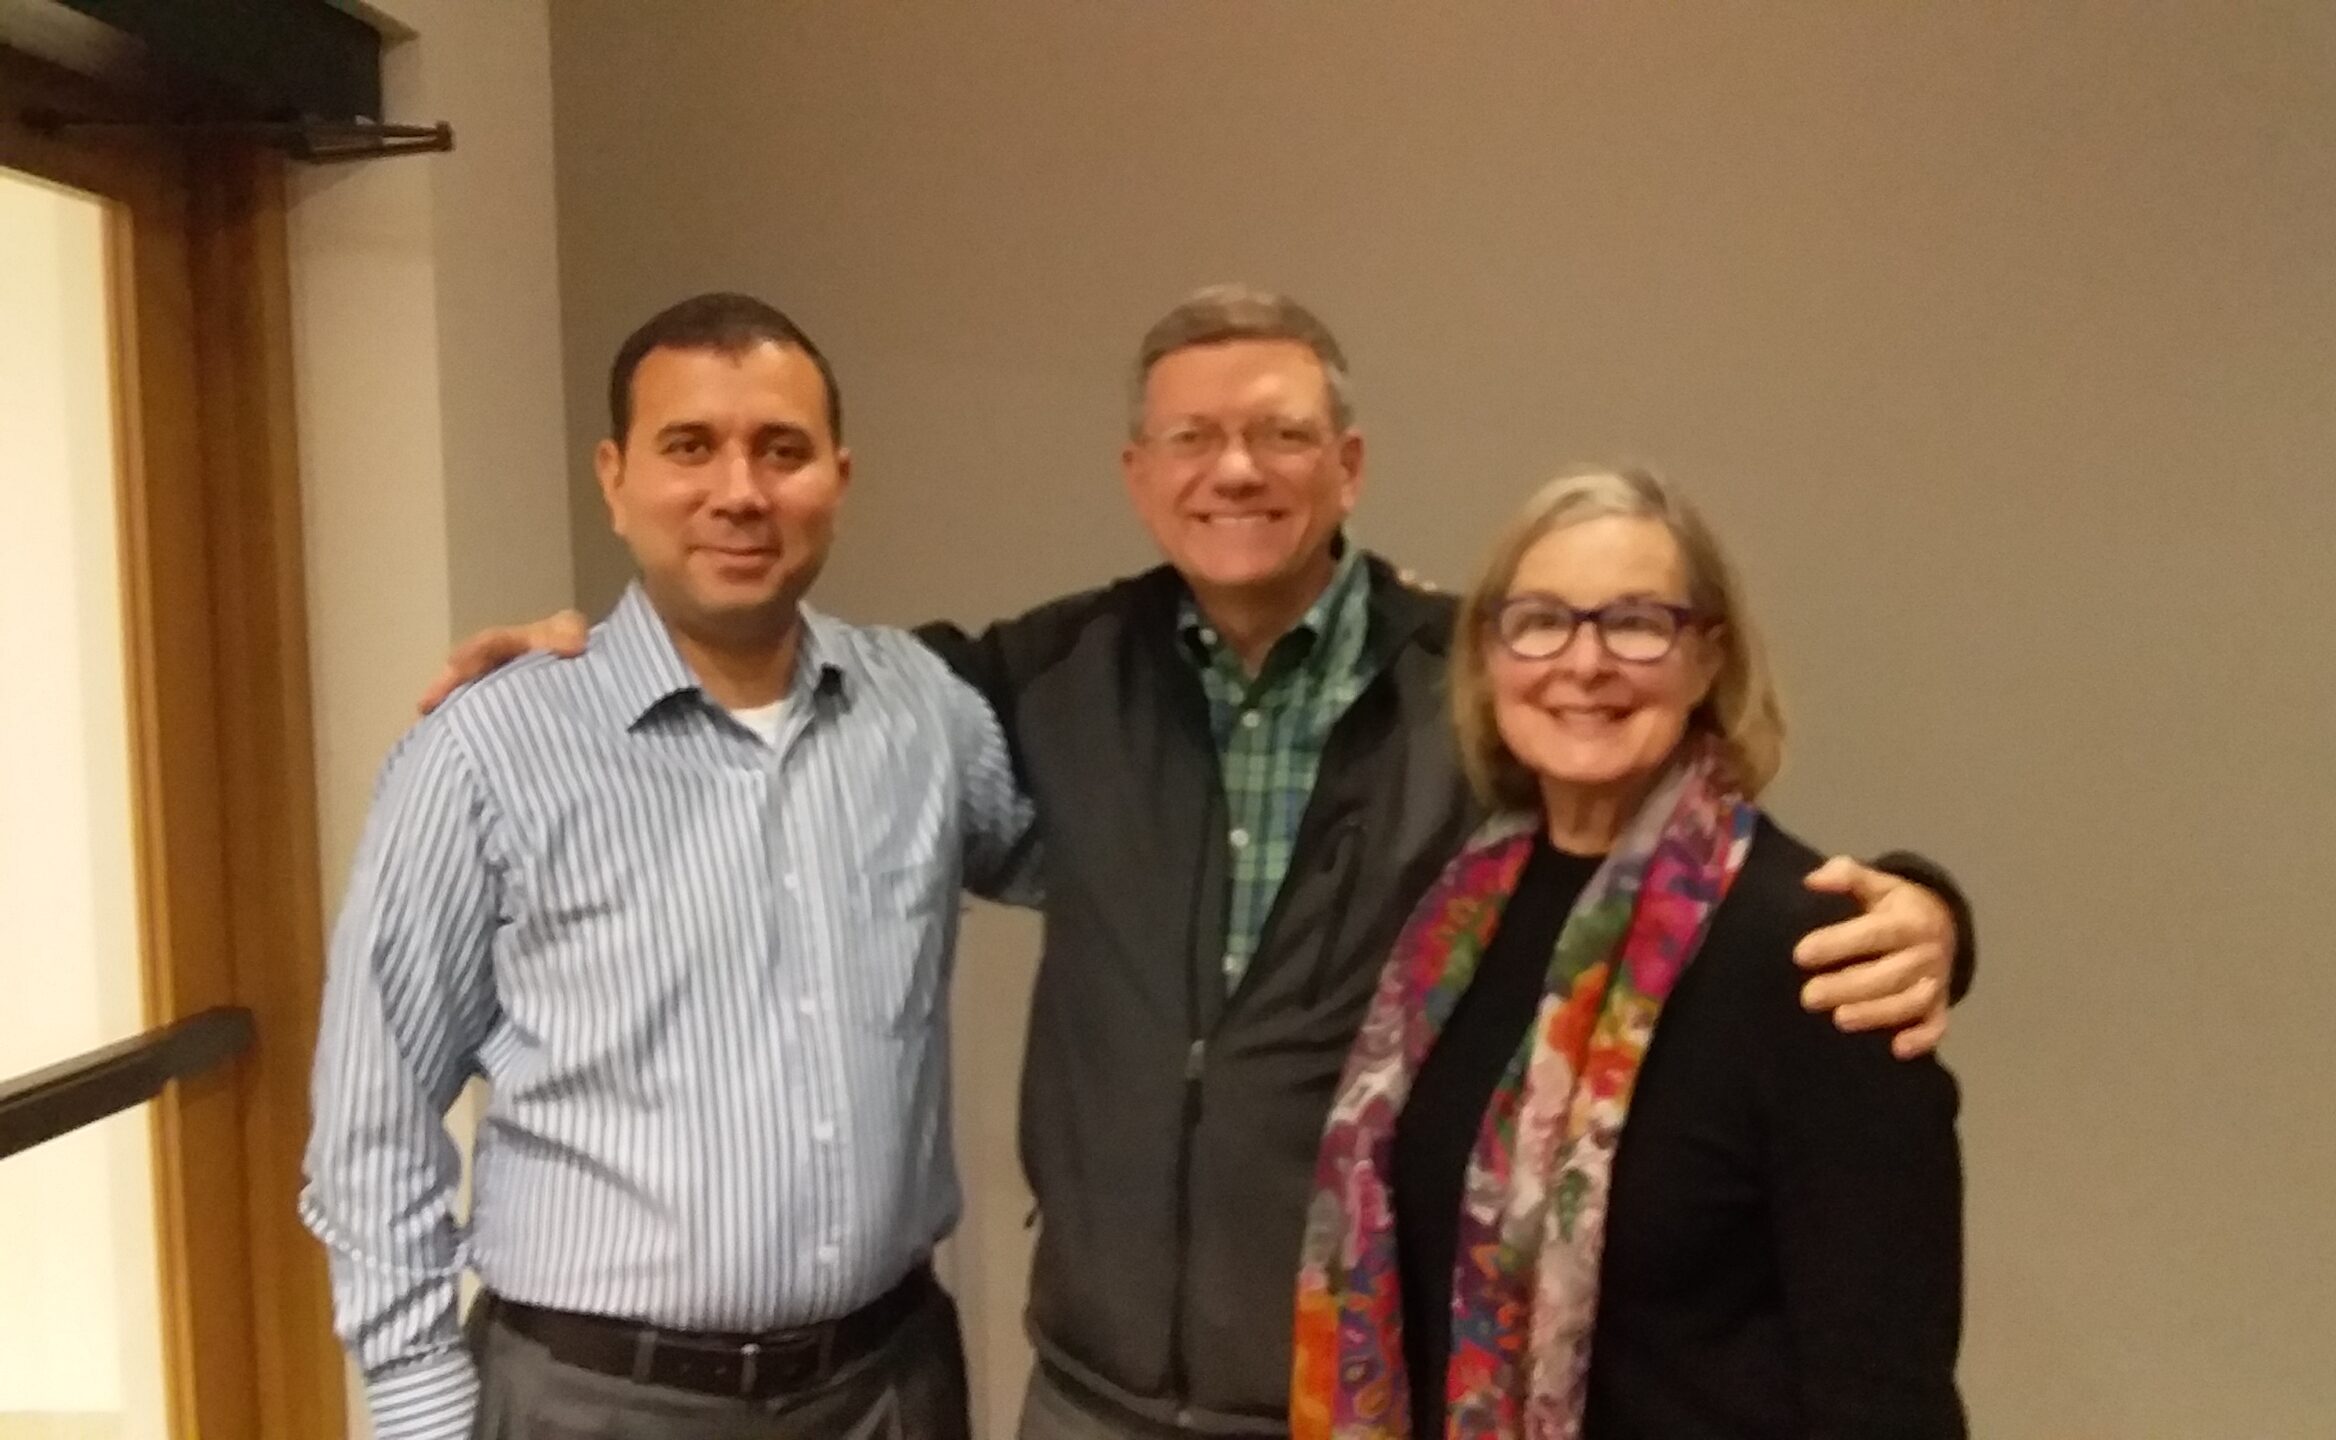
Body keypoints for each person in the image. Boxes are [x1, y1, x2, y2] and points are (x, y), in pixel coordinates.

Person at [423, 285, 1974, 1440]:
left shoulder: (1475, 687)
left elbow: (1667, 869)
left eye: (1281, 434)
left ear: (1348, 463)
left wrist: (1929, 910)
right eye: (1192, 437)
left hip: (1343, 1396)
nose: (1235, 469)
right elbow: (786, 678)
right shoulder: (1035, 682)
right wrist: (586, 659)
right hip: (1091, 1396)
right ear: (1138, 472)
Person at [302, 293, 1033, 1440]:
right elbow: (374, 1114)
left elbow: (1111, 862)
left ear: (838, 478)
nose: (739, 492)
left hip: (886, 1391)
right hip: (594, 1403)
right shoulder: (487, 751)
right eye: (689, 447)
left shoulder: (922, 716)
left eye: (781, 450)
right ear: (615, 478)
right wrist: (422, 1409)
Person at [1294, 466, 1964, 1440]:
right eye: (1540, 621)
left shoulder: (1820, 955)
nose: (1585, 662)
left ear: (1708, 660)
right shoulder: (1446, 931)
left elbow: (1884, 1395)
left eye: (1637, 623)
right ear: (1488, 656)